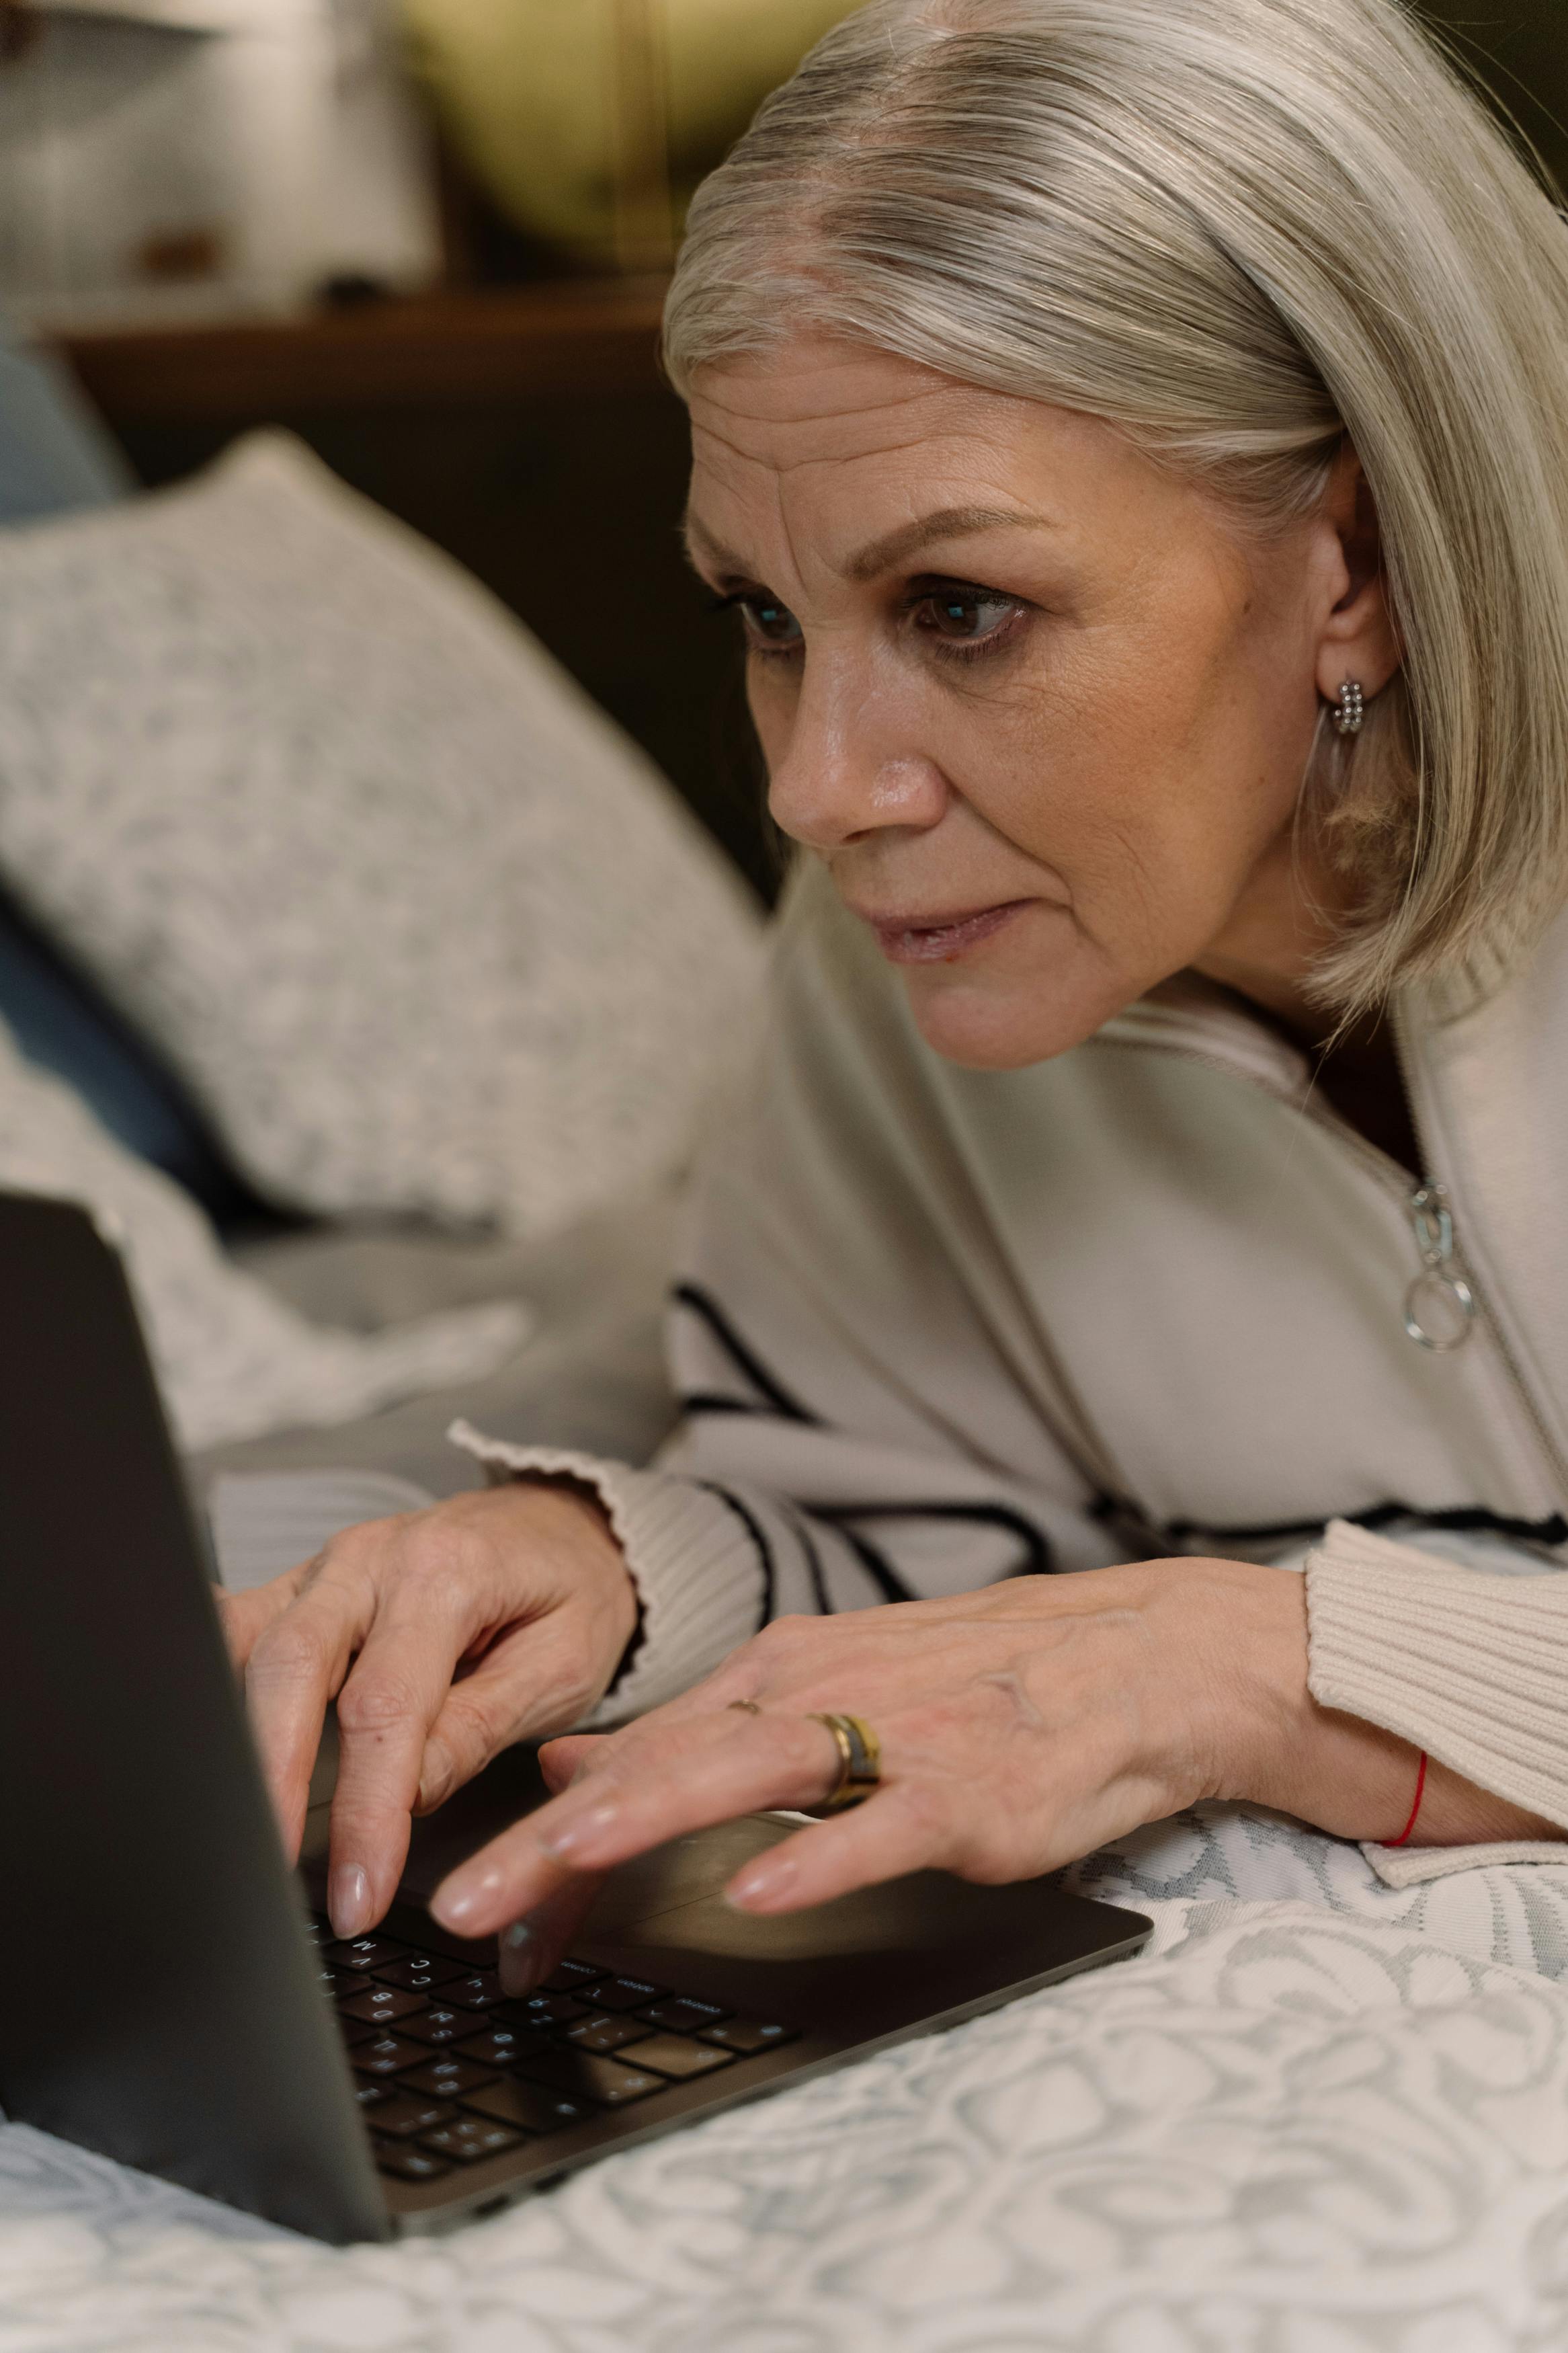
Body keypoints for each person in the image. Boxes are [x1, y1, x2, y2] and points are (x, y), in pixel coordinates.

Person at [227, 0, 1568, 1989]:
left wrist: (1267, 1662)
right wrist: (609, 1577)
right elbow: (925, 1541)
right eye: (767, 614)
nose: (816, 788)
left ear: (1352, 562)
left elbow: (1142, 1646)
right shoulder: (922, 930)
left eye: (963, 609)